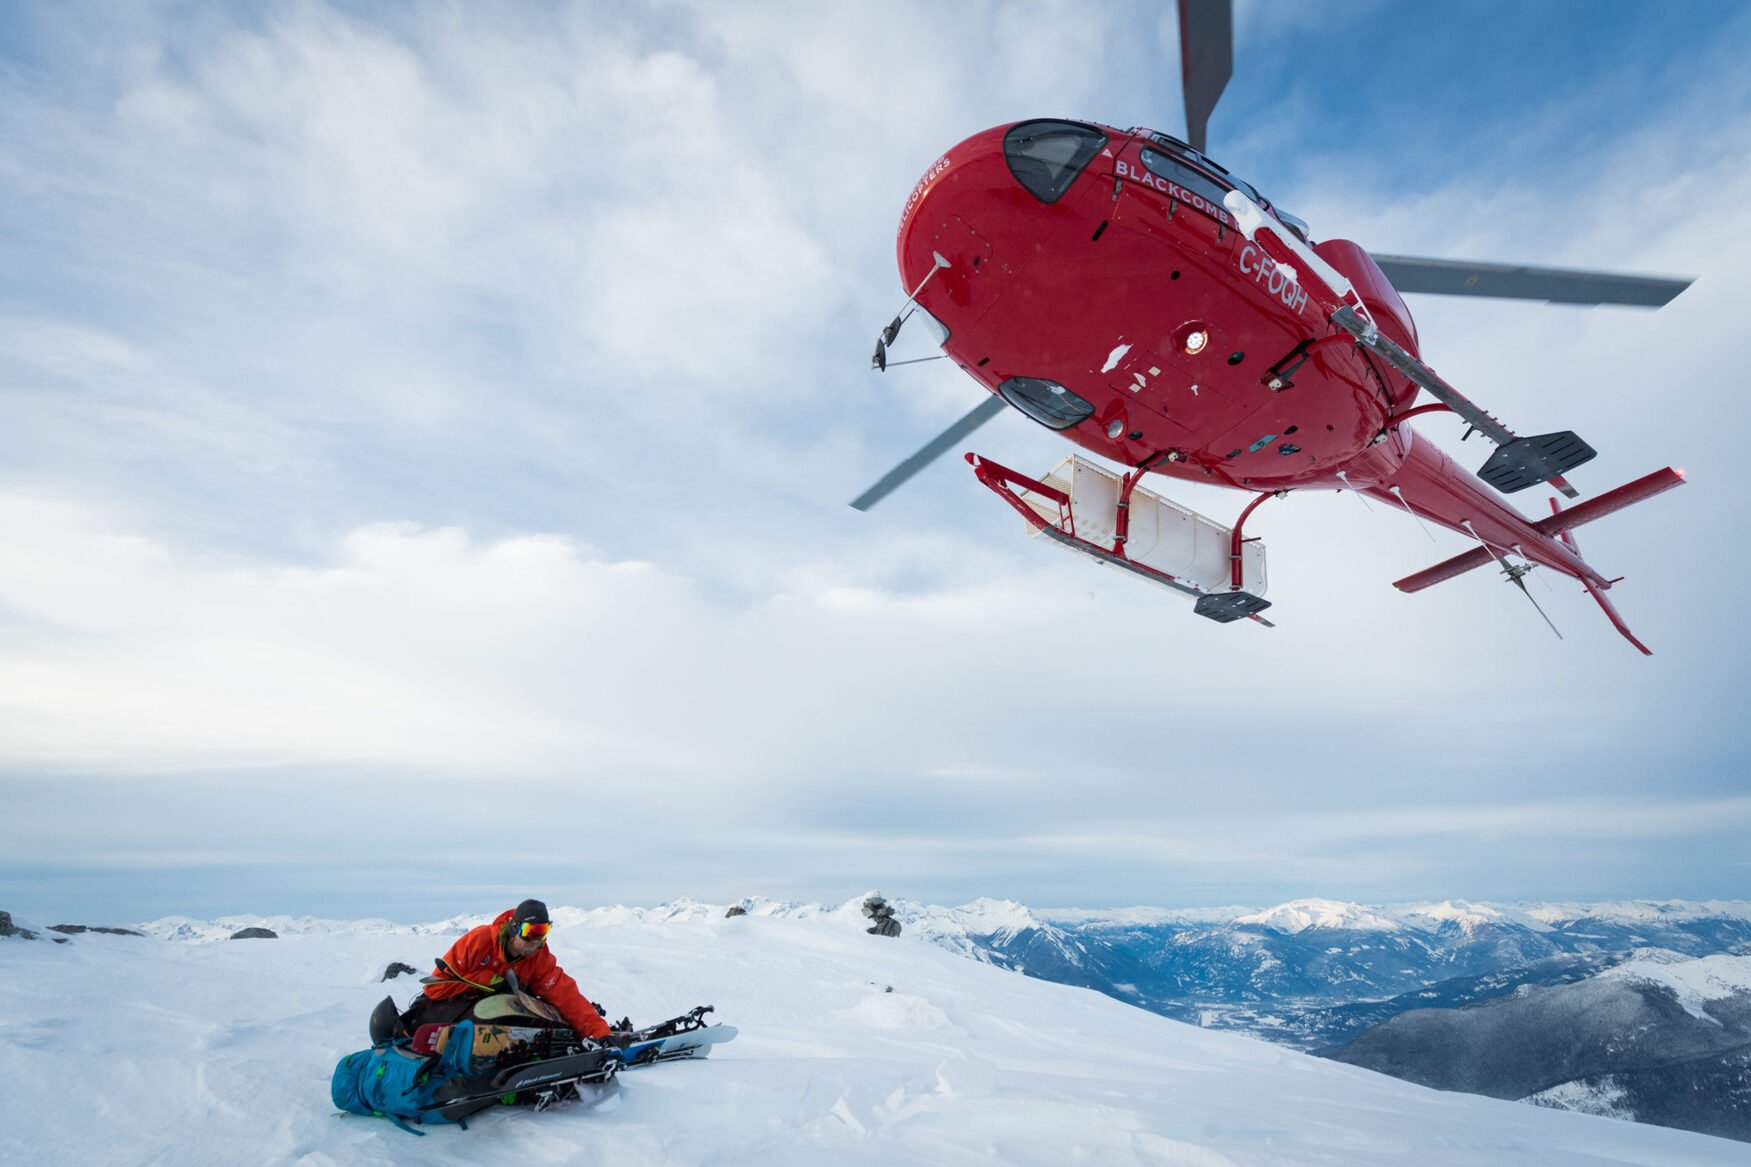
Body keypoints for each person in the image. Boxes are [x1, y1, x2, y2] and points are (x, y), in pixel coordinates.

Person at [399, 898, 615, 1043]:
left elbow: (566, 994)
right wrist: (484, 982)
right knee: (491, 1007)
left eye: (543, 932)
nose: (536, 941)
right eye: (530, 932)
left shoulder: (538, 957)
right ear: (514, 928)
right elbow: (434, 989)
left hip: (501, 1014)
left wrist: (599, 1033)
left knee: (539, 1014)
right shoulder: (479, 941)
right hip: (456, 1006)